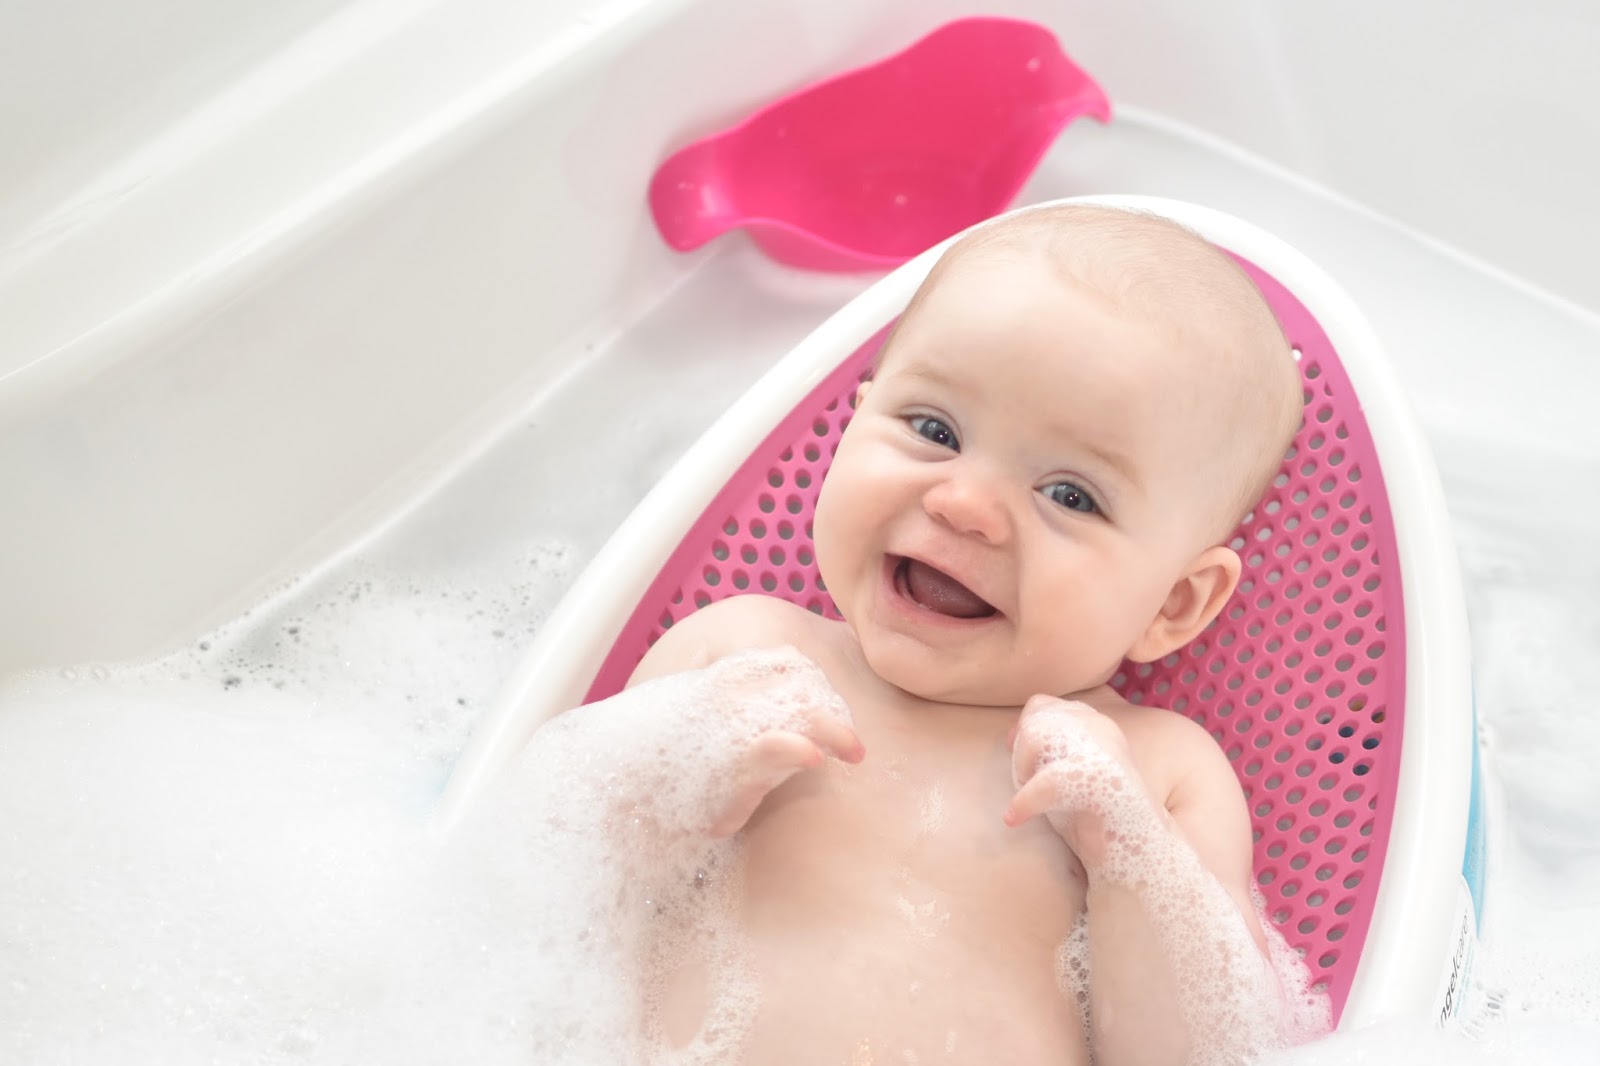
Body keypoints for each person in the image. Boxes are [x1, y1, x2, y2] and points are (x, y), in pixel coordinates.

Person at [560, 203, 1320, 1065]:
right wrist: (673, 785)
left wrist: (1130, 855)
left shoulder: (1159, 772)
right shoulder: (738, 653)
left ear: (1173, 606)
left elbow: (1202, 1051)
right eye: (934, 431)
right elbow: (547, 895)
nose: (964, 504)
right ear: (854, 420)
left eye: (1070, 495)